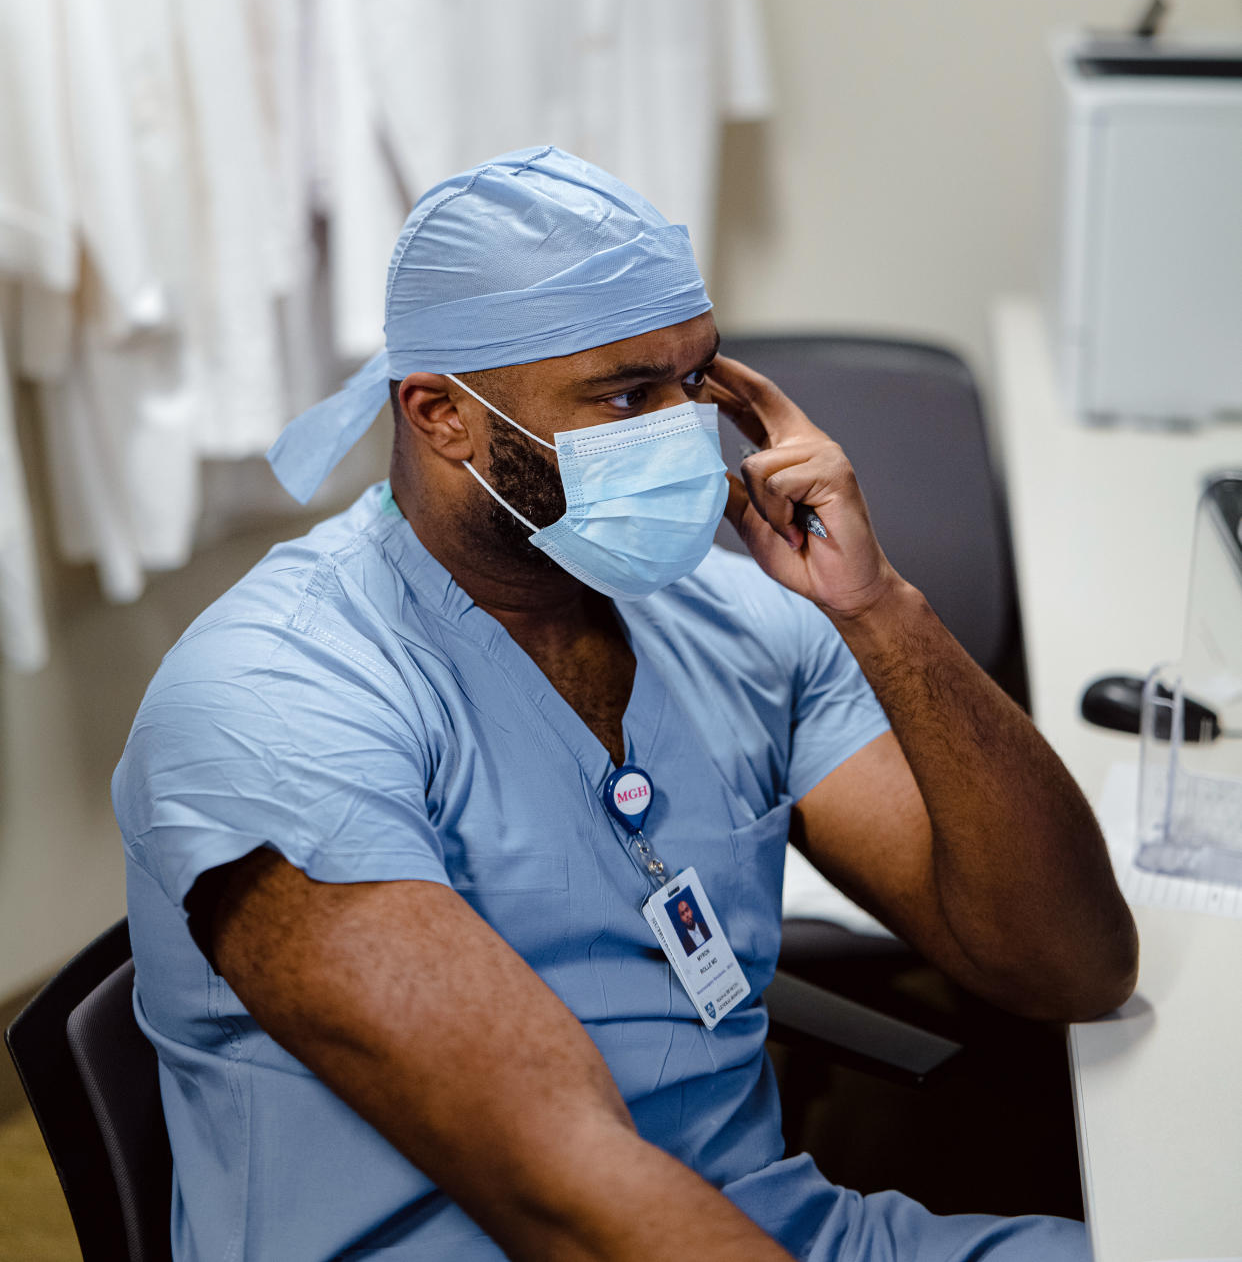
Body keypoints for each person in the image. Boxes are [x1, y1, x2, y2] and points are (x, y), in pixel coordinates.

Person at [113, 145, 1138, 1262]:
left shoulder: (735, 618)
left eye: (695, 381)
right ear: (439, 414)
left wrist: (882, 610)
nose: (681, 432)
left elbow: (1065, 964)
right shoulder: (276, 698)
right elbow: (563, 1189)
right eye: (625, 394)